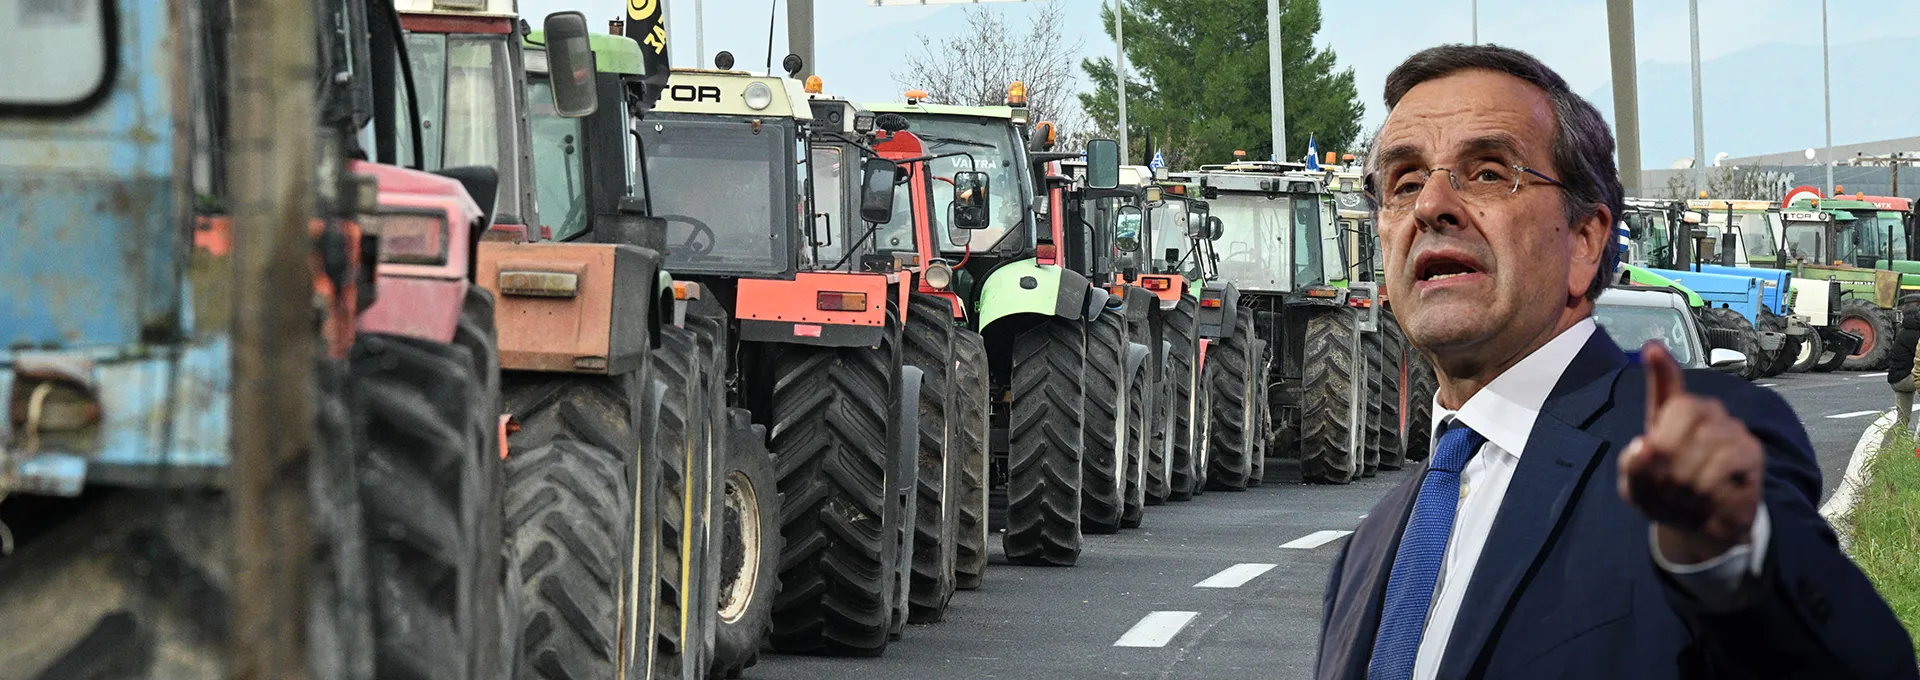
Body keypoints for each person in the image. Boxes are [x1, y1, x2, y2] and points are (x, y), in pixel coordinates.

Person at [1316, 44, 1915, 680]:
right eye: (1405, 182)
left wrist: (1733, 564)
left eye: (1488, 173)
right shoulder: (1365, 555)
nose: (1431, 204)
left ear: (1584, 241)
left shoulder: (1691, 451)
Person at [1889, 298, 1920, 433]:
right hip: (1907, 378)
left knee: (1902, 420)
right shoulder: (1915, 334)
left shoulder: (1905, 329)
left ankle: (1895, 444)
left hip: (1897, 378)